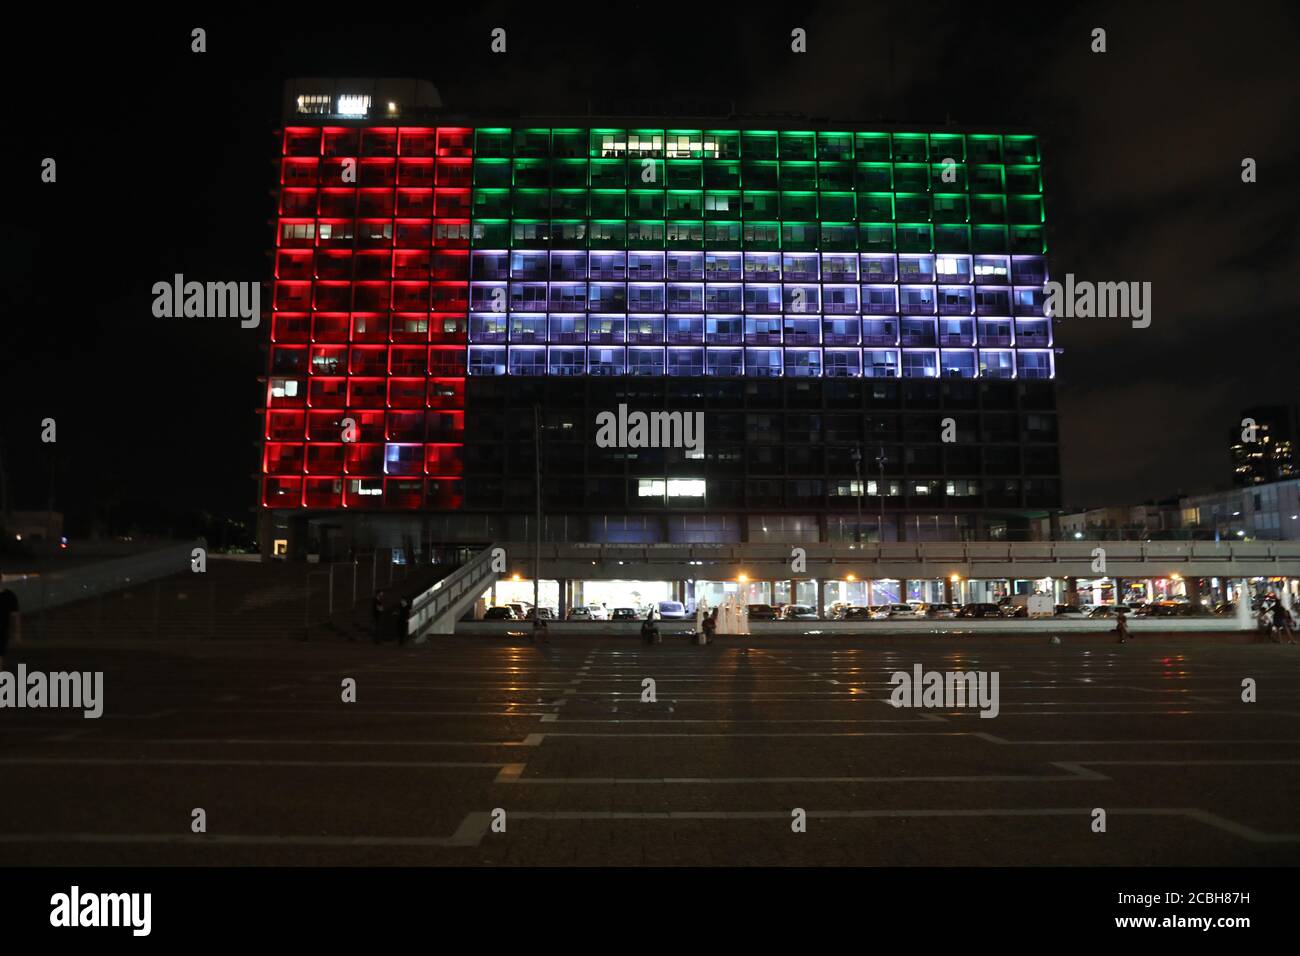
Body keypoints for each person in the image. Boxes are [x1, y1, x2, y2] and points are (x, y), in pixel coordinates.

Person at [0, 587, 19, 670]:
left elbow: (15, 616)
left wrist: (16, 633)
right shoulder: (9, 595)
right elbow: (15, 615)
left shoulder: (9, 596)